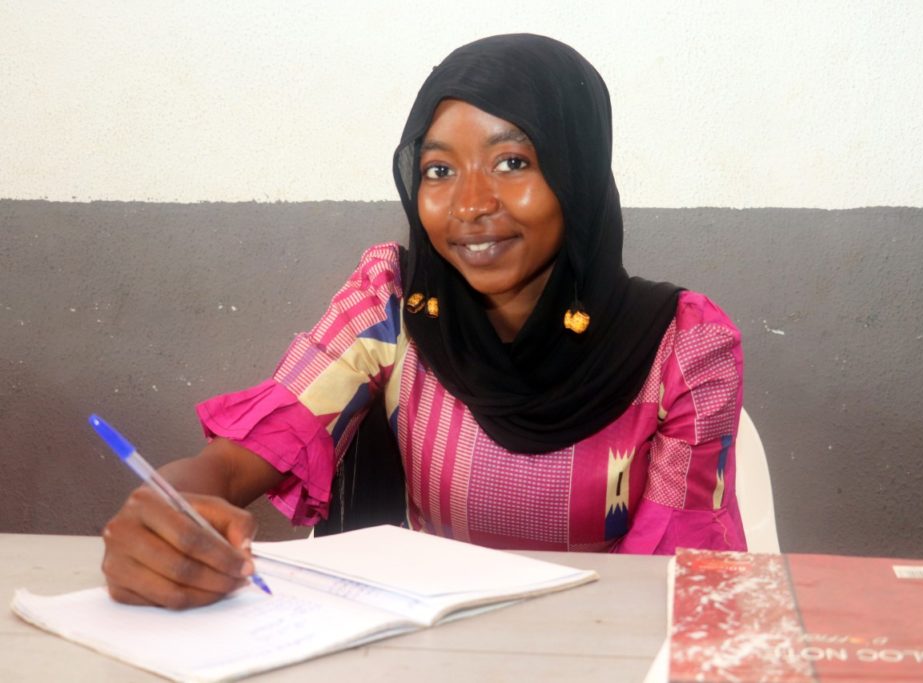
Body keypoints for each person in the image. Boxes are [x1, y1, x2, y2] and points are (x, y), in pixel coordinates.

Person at [101, 33, 746, 609]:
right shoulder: (393, 305)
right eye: (439, 170)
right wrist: (175, 500)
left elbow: (672, 578)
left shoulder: (682, 348)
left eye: (513, 162)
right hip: (430, 648)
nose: (469, 205)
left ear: (576, 171)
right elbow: (260, 443)